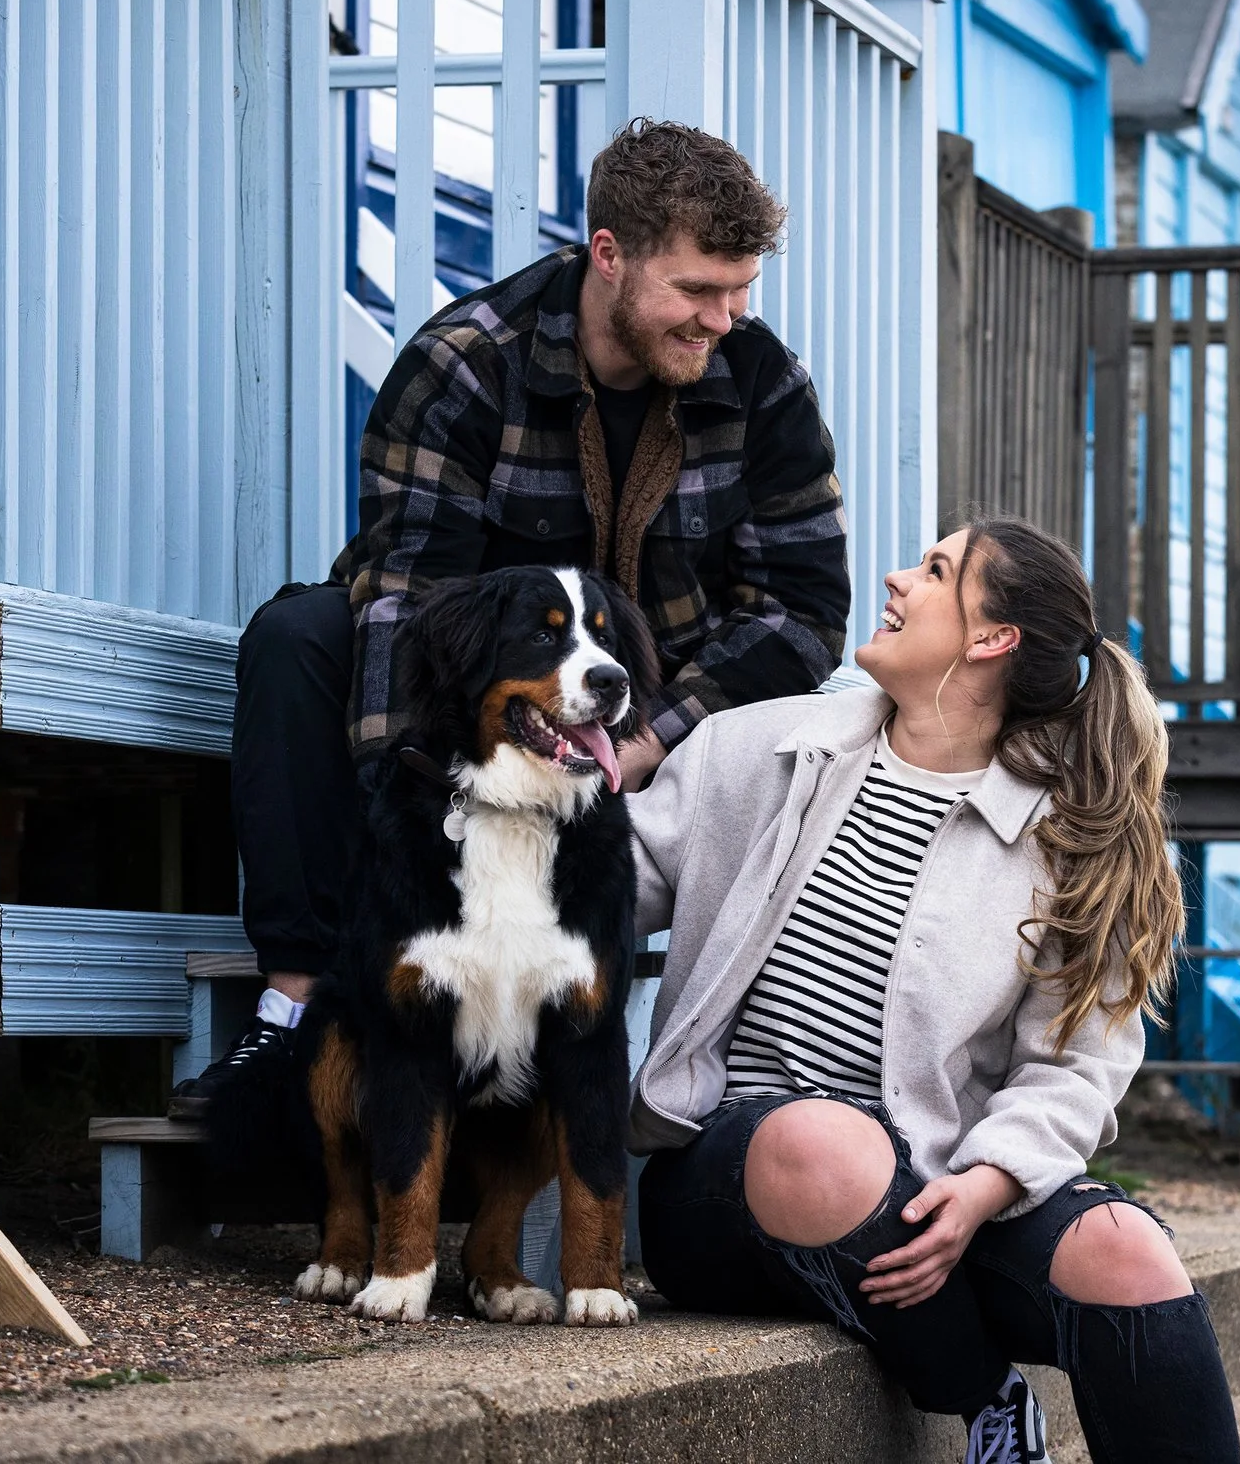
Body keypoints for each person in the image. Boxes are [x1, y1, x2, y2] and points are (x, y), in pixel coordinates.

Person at [174, 120, 850, 1117]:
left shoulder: (761, 381)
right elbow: (407, 595)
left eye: (740, 289)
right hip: (485, 716)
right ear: (608, 255)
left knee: (817, 722)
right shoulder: (464, 363)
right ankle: (299, 1007)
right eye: (697, 290)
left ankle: (739, 1083)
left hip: (663, 726)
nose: (723, 318)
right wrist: (417, 815)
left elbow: (803, 611)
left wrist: (651, 736)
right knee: (300, 637)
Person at [627, 518, 1240, 1464]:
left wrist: (980, 1190)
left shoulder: (1065, 839)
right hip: (730, 1188)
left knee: (1127, 1248)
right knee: (822, 1140)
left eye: (935, 571)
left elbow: (1075, 1070)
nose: (898, 579)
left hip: (938, 1188)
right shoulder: (758, 750)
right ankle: (986, 1399)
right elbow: (597, 892)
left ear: (992, 641)